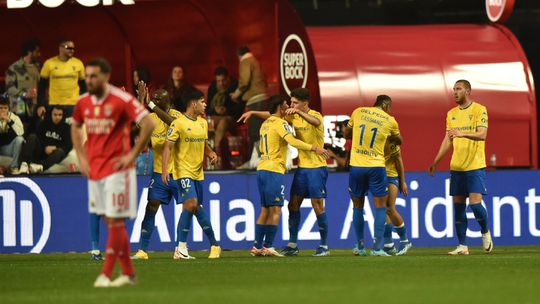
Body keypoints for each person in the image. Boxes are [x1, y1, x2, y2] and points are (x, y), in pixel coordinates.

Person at [71, 58, 155, 287]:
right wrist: (81, 158)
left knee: (115, 220)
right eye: (87, 76)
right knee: (110, 220)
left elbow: (148, 123)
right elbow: (75, 126)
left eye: (93, 76)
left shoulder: (121, 99)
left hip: (118, 170)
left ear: (106, 77)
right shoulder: (83, 102)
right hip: (96, 169)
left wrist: (132, 154)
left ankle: (106, 274)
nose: (88, 80)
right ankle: (128, 274)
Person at [238, 88, 330, 256]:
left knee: (318, 205)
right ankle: (292, 244)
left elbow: (315, 122)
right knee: (293, 205)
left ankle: (324, 245)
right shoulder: (290, 116)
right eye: (290, 102)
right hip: (302, 168)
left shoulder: (316, 115)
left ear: (305, 103)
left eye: (295, 102)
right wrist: (252, 112)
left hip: (317, 167)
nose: (291, 105)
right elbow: (273, 116)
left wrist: (299, 113)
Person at [429, 79, 493, 255]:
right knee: (458, 206)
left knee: (475, 204)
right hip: (456, 167)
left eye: (459, 89)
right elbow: (447, 140)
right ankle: (462, 246)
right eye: (453, 89)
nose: (455, 92)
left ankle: (485, 231)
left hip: (475, 165)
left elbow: (483, 134)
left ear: (468, 91)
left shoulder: (480, 109)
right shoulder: (451, 114)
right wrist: (436, 161)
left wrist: (461, 133)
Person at [161, 90, 222, 259]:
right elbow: (167, 147)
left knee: (195, 207)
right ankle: (181, 248)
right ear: (193, 104)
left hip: (198, 172)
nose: (205, 104)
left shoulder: (203, 123)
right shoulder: (178, 123)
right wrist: (165, 169)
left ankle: (215, 245)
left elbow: (203, 143)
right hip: (182, 171)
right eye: (202, 102)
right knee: (191, 203)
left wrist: (210, 153)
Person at [344, 95, 402, 257]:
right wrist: (391, 136)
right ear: (386, 105)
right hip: (376, 166)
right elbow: (399, 141)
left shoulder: (358, 112)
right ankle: (377, 248)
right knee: (381, 207)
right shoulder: (390, 120)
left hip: (356, 165)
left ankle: (360, 246)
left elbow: (347, 132)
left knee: (357, 206)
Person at [131, 85, 181, 260]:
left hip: (180, 171)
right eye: (154, 98)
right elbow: (137, 123)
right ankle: (143, 250)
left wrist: (150, 104)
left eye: (159, 98)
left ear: (168, 101)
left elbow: (172, 123)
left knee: (193, 208)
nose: (156, 100)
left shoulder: (176, 115)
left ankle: (212, 244)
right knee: (151, 206)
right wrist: (139, 101)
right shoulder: (151, 118)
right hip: (159, 172)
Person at [231, 46, 268, 166]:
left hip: (255, 101)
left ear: (238, 56)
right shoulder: (256, 61)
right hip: (263, 99)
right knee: (261, 131)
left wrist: (236, 94)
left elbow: (244, 81)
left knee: (254, 132)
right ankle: (260, 159)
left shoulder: (245, 61)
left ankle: (254, 162)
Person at [381, 128, 412, 256]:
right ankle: (389, 244)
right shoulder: (373, 141)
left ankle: (405, 241)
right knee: (382, 209)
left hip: (391, 176)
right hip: (378, 175)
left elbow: (399, 160)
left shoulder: (390, 142)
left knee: (389, 208)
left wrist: (402, 181)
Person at [38, 38, 85, 118]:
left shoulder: (78, 63)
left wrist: (84, 104)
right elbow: (42, 86)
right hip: (54, 105)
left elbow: (84, 86)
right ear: (60, 48)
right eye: (69, 48)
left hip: (73, 105)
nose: (72, 50)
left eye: (73, 48)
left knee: (72, 130)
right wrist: (41, 105)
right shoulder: (49, 63)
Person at [19, 106, 72, 174]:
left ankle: (41, 167)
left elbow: (68, 145)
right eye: (55, 115)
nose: (57, 117)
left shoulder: (67, 128)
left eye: (60, 115)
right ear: (51, 114)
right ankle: (24, 164)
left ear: (63, 115)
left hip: (55, 154)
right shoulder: (44, 124)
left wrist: (55, 147)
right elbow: (38, 138)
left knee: (60, 151)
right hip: (41, 151)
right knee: (32, 137)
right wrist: (45, 148)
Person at [5, 38, 41, 133]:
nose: (39, 54)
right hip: (19, 109)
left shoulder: (38, 67)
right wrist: (25, 94)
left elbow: (41, 86)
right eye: (36, 51)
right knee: (20, 135)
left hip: (35, 109)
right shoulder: (14, 68)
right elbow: (9, 88)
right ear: (29, 52)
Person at [206, 66, 243, 159]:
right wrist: (215, 110)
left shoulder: (236, 86)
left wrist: (227, 110)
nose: (221, 83)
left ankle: (214, 152)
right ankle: (205, 153)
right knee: (206, 122)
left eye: (223, 80)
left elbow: (240, 109)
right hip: (216, 116)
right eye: (218, 81)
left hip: (232, 118)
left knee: (223, 122)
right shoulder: (213, 87)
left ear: (228, 78)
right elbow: (207, 109)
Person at [0, 95, 25, 175]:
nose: (3, 110)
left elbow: (20, 132)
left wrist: (9, 121)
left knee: (19, 139)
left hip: (9, 149)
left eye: (5, 108)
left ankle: (14, 167)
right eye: (0, 108)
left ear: (8, 108)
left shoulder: (14, 117)